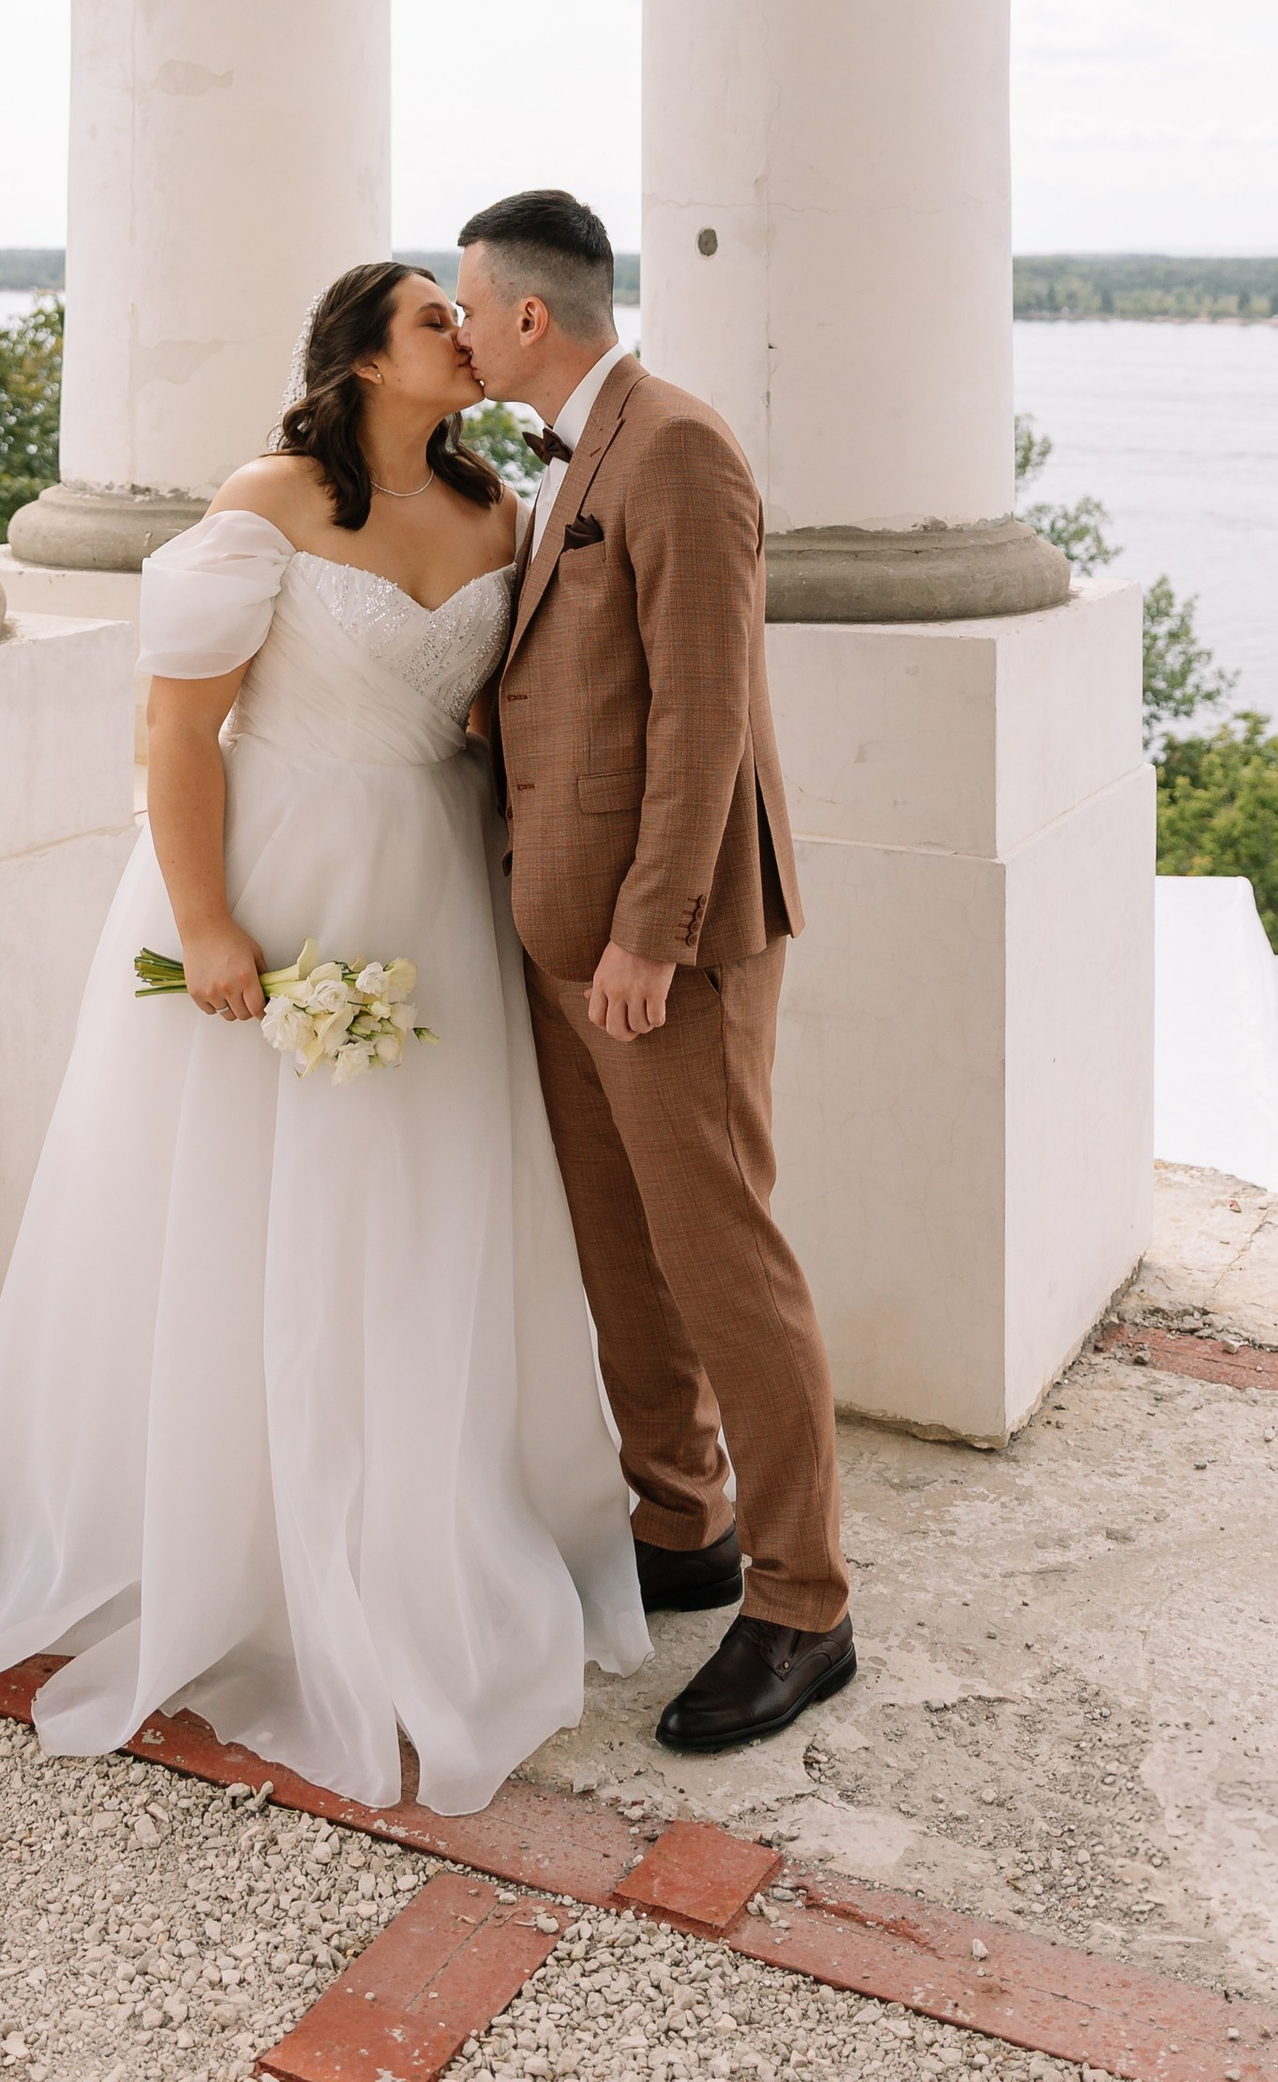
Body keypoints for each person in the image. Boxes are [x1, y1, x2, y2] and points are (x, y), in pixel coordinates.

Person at [0, 262, 648, 1814]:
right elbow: (178, 725)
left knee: (425, 1197)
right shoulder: (269, 502)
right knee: (241, 1199)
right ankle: (233, 1544)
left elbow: (504, 715)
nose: (466, 333)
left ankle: (424, 1522)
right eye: (435, 317)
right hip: (278, 867)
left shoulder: (500, 507)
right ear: (364, 359)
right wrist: (210, 926)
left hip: (437, 882)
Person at [453, 190, 854, 1754]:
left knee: (722, 1257)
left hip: (662, 942)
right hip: (559, 924)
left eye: (466, 306)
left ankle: (805, 1605)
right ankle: (682, 1523)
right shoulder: (557, 459)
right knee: (622, 1252)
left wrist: (651, 932)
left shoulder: (678, 447)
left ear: (528, 315)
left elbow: (706, 713)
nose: (459, 330)